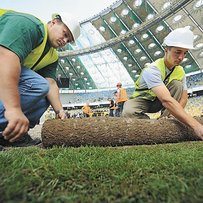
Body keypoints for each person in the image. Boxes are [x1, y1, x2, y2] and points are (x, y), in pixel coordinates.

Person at [0, 9, 81, 147]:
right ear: (54, 22)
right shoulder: (29, 25)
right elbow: (6, 58)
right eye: (65, 34)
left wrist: (60, 111)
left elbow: (51, 84)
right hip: (4, 64)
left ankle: (11, 135)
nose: (65, 41)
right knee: (38, 85)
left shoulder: (52, 56)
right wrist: (13, 109)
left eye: (69, 40)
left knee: (45, 95)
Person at [122, 27, 203, 140]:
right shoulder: (152, 69)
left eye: (185, 53)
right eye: (177, 52)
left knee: (177, 84)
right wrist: (196, 125)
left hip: (161, 102)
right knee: (128, 111)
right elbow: (166, 100)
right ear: (166, 50)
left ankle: (166, 120)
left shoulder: (180, 71)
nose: (181, 57)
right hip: (143, 101)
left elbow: (184, 99)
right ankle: (154, 126)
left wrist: (173, 114)